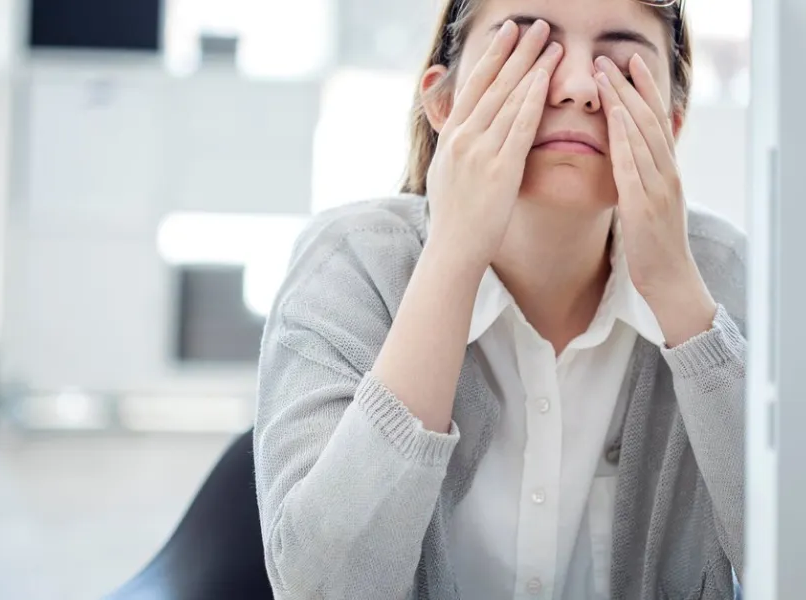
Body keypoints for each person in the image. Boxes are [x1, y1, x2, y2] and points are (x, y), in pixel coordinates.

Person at [253, 0, 746, 597]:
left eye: (620, 61)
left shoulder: (728, 278)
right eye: (530, 47)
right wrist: (452, 256)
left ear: (671, 123)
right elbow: (319, 589)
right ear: (444, 103)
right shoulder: (350, 265)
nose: (575, 89)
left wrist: (677, 294)